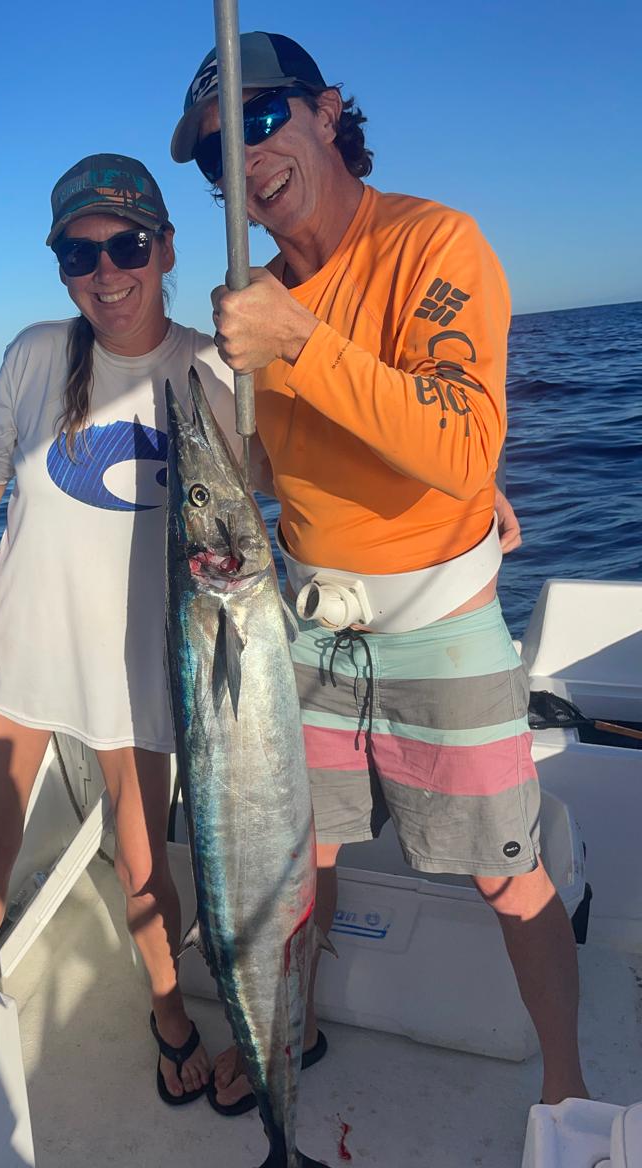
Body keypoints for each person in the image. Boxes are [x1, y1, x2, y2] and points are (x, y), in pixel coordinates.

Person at [170, 32, 587, 1112]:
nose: (244, 161)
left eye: (261, 121)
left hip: (441, 619)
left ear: (326, 112)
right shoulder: (252, 308)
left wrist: (299, 341)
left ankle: (569, 1086)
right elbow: (268, 468)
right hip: (308, 625)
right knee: (299, 855)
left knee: (507, 865)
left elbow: (461, 443)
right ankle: (289, 1028)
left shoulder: (434, 243)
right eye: (218, 155)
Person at [0, 153, 236, 1105]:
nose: (106, 271)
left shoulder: (208, 367)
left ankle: (170, 1014)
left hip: (136, 671)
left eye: (127, 244)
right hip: (20, 654)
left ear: (167, 246)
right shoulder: (34, 354)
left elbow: (283, 484)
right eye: (78, 252)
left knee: (148, 873)